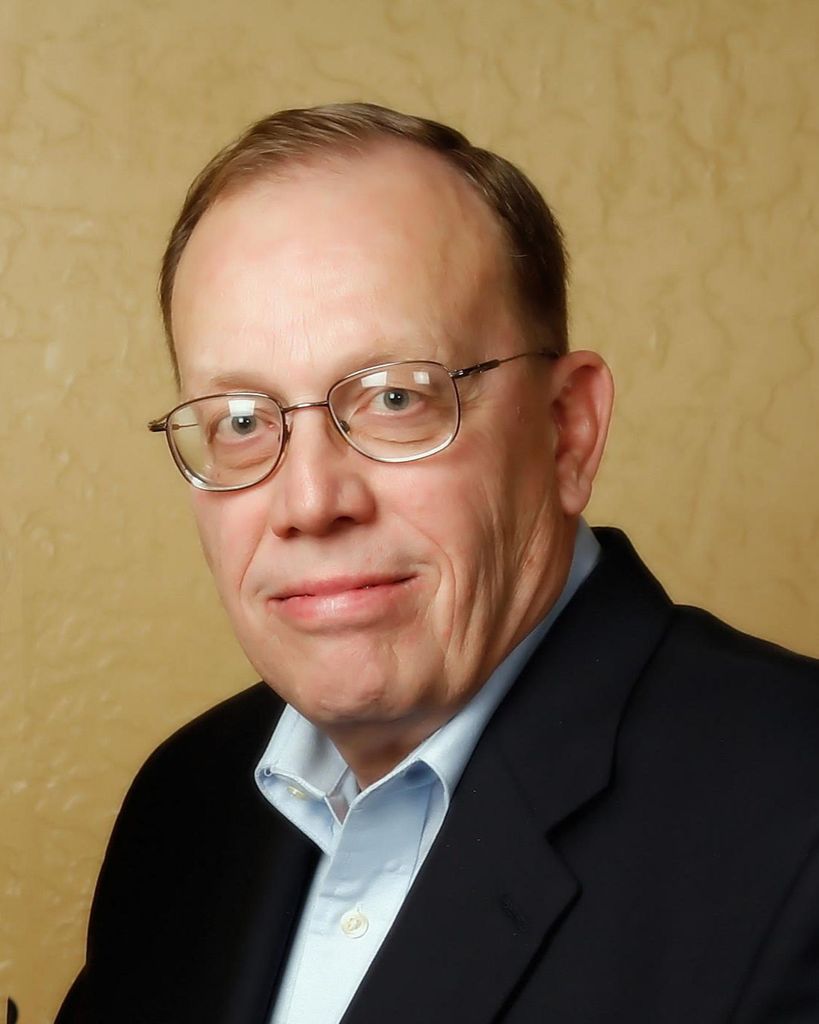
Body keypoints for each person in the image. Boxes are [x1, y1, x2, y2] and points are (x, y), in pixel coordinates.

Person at [57, 103, 819, 1024]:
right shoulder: (184, 807)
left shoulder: (794, 810)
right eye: (243, 421)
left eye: (395, 398)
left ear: (567, 431)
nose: (310, 502)